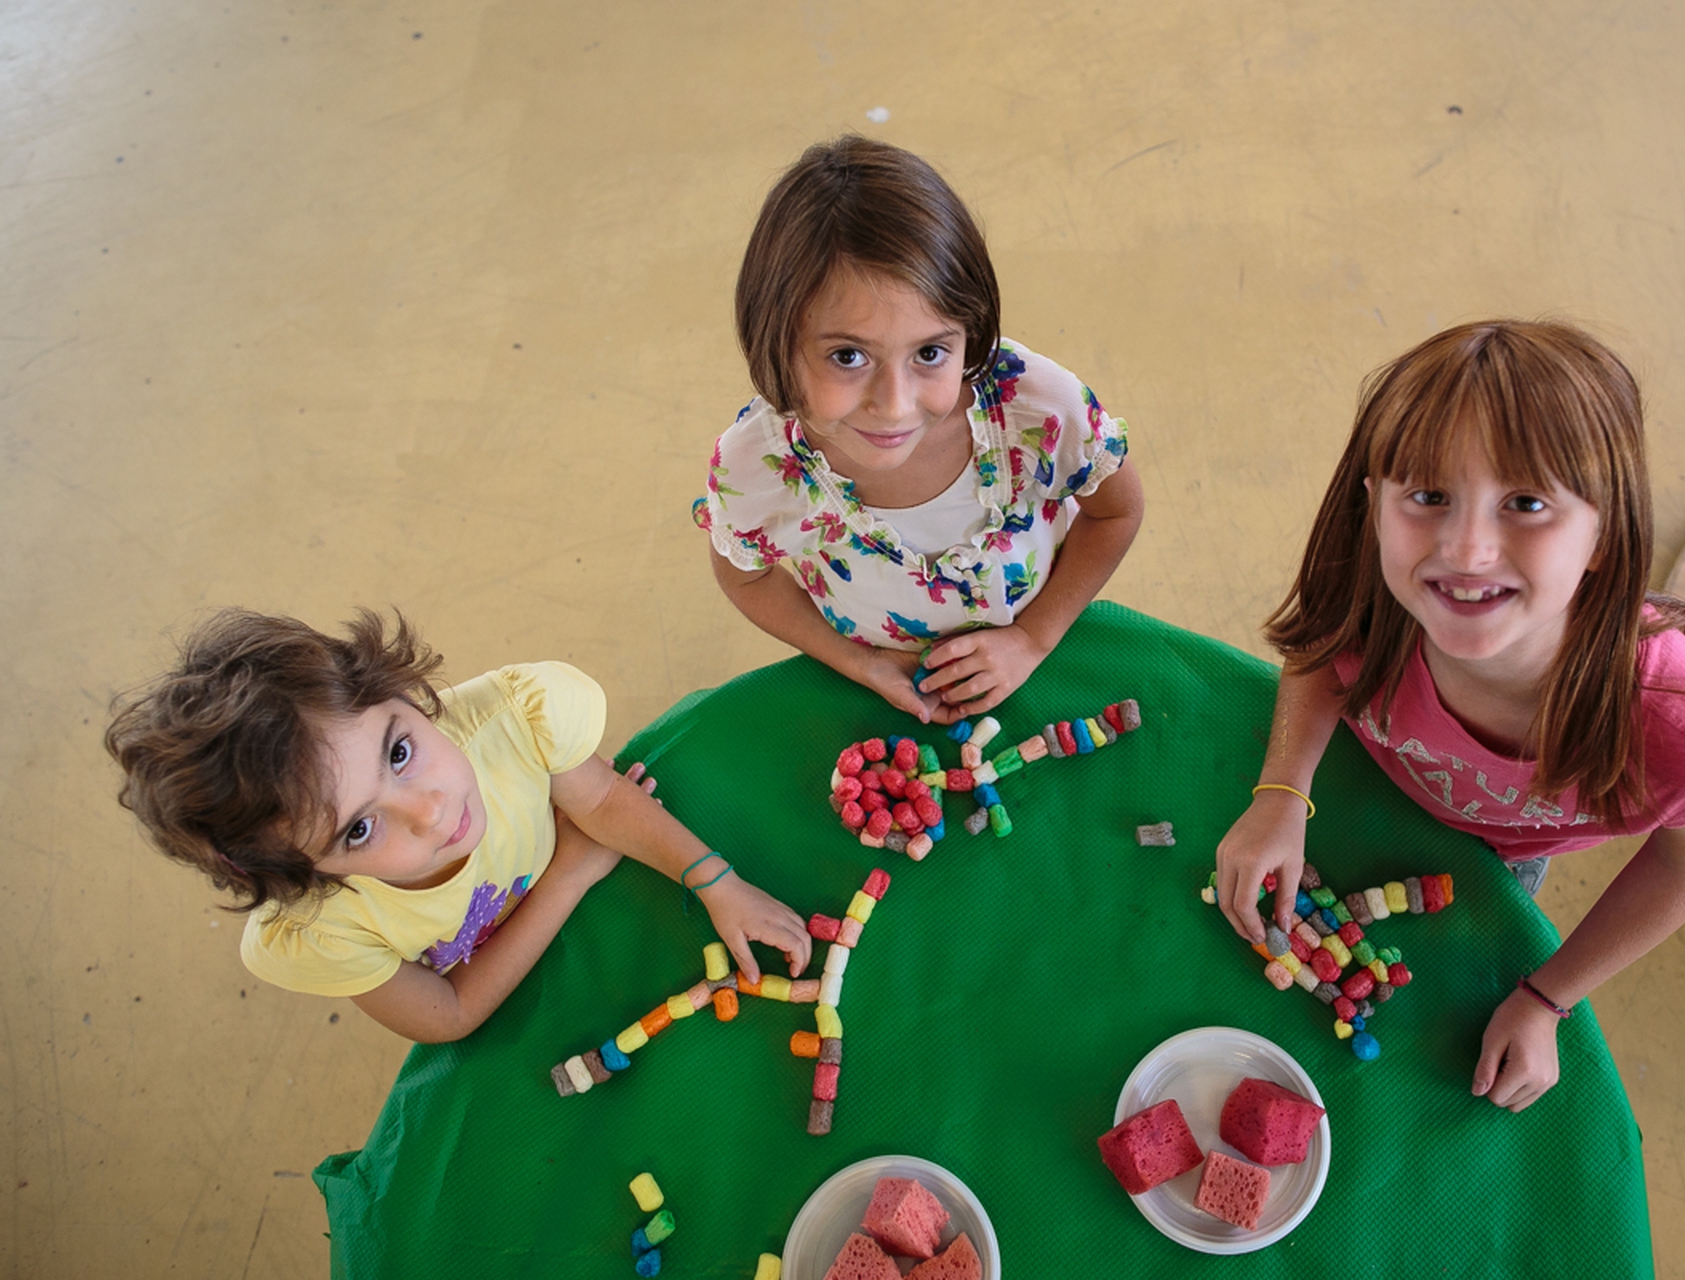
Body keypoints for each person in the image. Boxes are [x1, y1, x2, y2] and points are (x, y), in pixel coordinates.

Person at [1214, 320, 1685, 1112]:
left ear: (1605, 534)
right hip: (1347, 785)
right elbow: (1319, 656)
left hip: (1501, 857)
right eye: (1429, 497)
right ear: (1373, 506)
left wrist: (1548, 998)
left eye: (1527, 503)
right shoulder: (1374, 590)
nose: (1466, 550)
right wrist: (1281, 793)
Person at [104, 608, 812, 1043]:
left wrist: (719, 884)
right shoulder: (323, 933)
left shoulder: (517, 724)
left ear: (398, 692)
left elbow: (597, 803)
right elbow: (446, 1014)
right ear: (301, 875)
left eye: (400, 751)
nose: (430, 810)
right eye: (358, 831)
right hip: (516, 985)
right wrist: (566, 876)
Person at [695, 136, 1145, 725]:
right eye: (848, 357)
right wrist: (862, 664)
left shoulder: (1037, 409)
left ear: (970, 328)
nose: (895, 405)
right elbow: (744, 577)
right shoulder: (753, 468)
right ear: (775, 340)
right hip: (877, 689)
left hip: (1045, 653)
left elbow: (1117, 511)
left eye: (930, 352)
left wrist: (1032, 639)